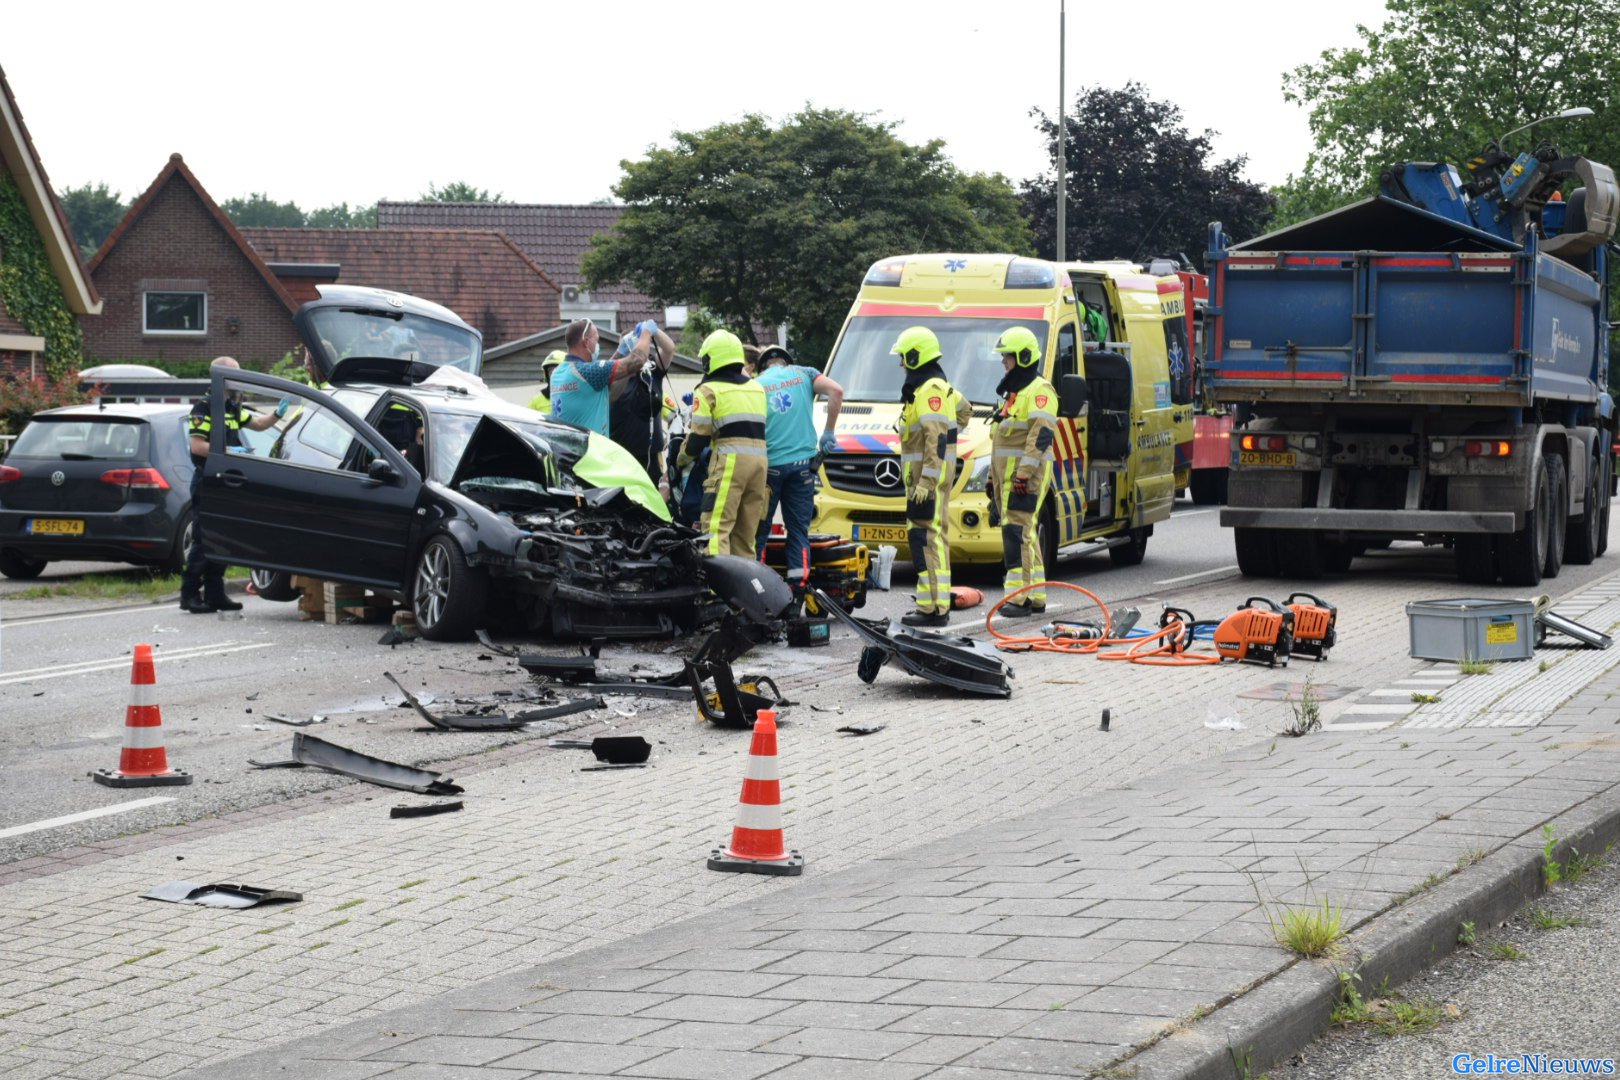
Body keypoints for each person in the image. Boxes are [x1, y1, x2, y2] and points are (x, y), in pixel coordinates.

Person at [180, 356, 283, 615]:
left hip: (226, 482)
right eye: (235, 376)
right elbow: (197, 446)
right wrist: (228, 450)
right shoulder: (204, 408)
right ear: (221, 377)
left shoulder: (231, 407)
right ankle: (189, 594)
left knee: (221, 538)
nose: (239, 381)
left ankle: (215, 594)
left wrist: (279, 412)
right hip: (207, 481)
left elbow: (258, 424)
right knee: (204, 539)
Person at [893, 326, 972, 627]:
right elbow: (965, 412)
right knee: (933, 538)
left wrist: (926, 480)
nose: (901, 364)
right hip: (930, 477)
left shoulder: (929, 391)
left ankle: (933, 609)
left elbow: (936, 438)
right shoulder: (940, 387)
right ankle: (934, 604)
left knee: (924, 538)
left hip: (926, 481)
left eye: (903, 357)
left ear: (915, 356)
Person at [751, 344, 844, 590]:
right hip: (804, 467)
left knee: (759, 532)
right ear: (787, 361)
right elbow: (837, 390)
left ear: (762, 365)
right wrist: (828, 432)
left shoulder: (756, 384)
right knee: (798, 532)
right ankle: (798, 589)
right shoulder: (805, 373)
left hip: (769, 469)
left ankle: (758, 590)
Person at [984, 326, 1058, 616]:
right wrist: (992, 479)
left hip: (1025, 477)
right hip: (1010, 478)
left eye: (1008, 356)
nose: (1004, 361)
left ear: (1024, 357)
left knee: (1017, 534)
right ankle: (1036, 596)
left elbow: (1040, 438)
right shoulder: (1015, 394)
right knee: (1025, 533)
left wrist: (1024, 475)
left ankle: (1018, 599)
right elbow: (1001, 443)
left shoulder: (1040, 391)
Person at [677, 329, 768, 557]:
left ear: (711, 359)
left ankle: (716, 589)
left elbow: (698, 438)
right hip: (760, 466)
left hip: (729, 465)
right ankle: (748, 589)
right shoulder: (757, 389)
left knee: (716, 531)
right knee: (746, 536)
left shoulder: (707, 390)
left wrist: (680, 459)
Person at [550, 320, 650, 435]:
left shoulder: (558, 372)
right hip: (589, 449)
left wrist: (620, 350)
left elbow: (601, 374)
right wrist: (646, 333)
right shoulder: (586, 371)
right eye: (596, 340)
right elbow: (637, 361)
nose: (598, 345)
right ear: (586, 342)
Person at [609, 320, 678, 481]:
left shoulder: (652, 370)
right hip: (621, 452)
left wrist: (653, 331)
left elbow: (669, 349)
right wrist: (628, 366)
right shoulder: (613, 371)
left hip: (651, 453)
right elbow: (613, 391)